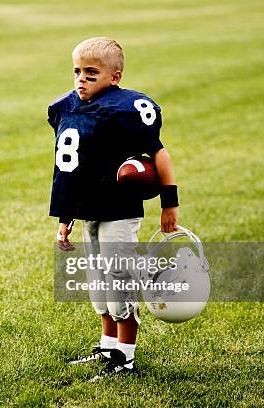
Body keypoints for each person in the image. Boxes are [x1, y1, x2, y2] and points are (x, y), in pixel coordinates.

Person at [47, 37, 179, 378]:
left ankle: (126, 356)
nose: (81, 79)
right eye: (77, 71)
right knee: (98, 282)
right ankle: (108, 347)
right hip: (89, 207)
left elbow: (159, 154)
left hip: (119, 209)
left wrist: (169, 204)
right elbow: (70, 170)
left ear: (115, 77)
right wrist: (66, 218)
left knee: (119, 278)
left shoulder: (127, 109)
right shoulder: (66, 108)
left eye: (92, 73)